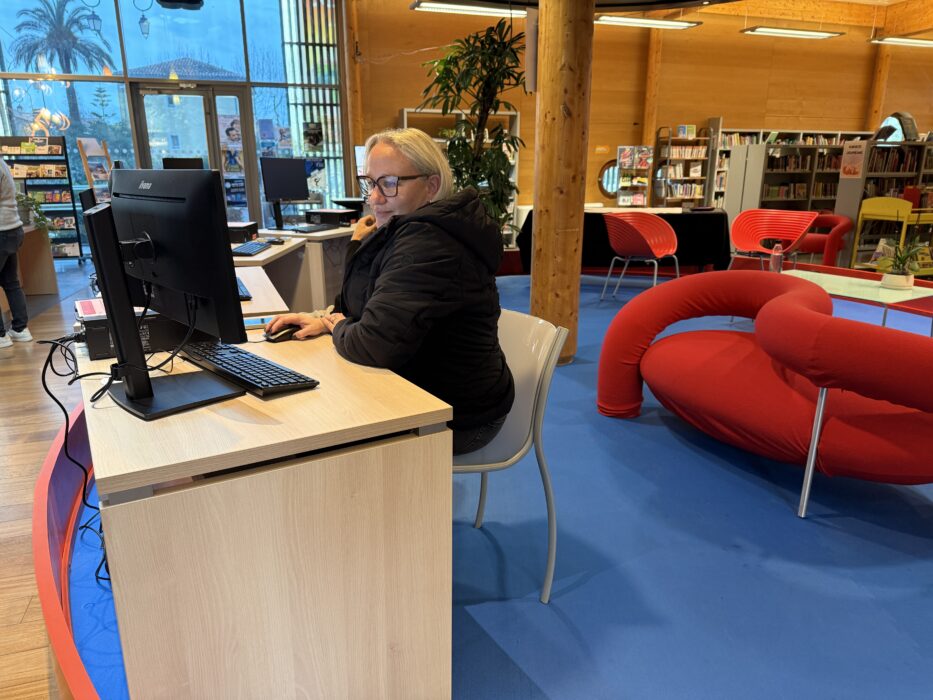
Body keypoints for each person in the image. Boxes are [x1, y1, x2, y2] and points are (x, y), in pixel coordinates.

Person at [266, 128, 514, 454]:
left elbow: (373, 344)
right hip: (426, 389)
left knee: (315, 436)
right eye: (370, 183)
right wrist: (325, 318)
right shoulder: (407, 230)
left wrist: (336, 326)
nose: (374, 198)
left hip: (462, 417)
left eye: (390, 183)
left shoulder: (431, 242)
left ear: (431, 186)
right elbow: (361, 304)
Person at [0, 157, 31, 349]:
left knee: (11, 282)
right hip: (11, 229)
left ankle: (1, 336)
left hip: (2, 231)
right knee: (11, 282)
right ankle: (20, 329)